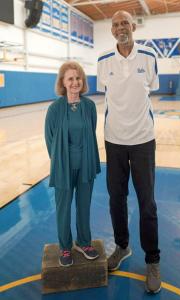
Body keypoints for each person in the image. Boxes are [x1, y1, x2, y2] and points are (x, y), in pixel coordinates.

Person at [97, 11, 161, 293]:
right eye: (115, 23)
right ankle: (122, 247)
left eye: (125, 22)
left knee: (147, 203)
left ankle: (152, 260)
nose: (120, 27)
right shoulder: (103, 61)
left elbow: (151, 90)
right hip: (114, 141)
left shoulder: (148, 57)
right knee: (116, 199)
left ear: (133, 27)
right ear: (111, 30)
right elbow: (106, 94)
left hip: (144, 140)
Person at [45, 61, 101, 267]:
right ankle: (65, 247)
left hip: (85, 164)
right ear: (63, 82)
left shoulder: (89, 106)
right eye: (71, 79)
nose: (75, 82)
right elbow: (50, 140)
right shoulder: (54, 109)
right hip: (63, 167)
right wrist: (61, 161)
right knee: (63, 208)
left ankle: (84, 243)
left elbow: (91, 131)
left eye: (78, 78)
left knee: (84, 206)